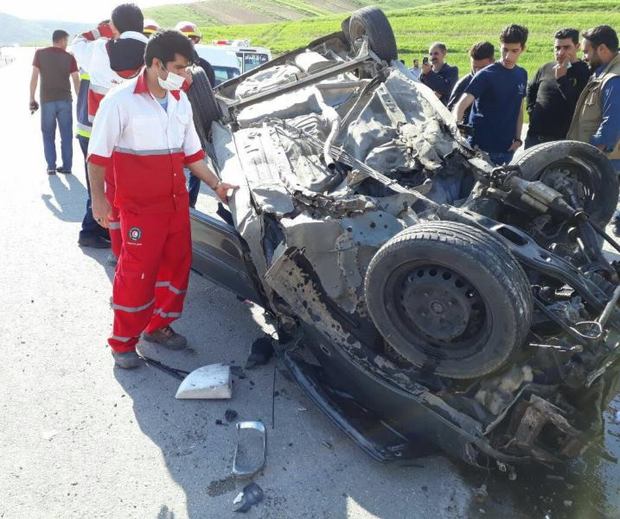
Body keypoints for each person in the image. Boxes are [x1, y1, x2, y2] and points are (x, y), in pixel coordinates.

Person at [87, 30, 237, 369]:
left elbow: (193, 155)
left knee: (176, 267)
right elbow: (97, 158)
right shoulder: (119, 101)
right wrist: (99, 200)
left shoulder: (181, 102)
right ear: (157, 64)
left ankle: (157, 327)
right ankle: (123, 342)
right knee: (136, 275)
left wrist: (217, 185)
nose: (185, 76)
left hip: (174, 205)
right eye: (180, 68)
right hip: (139, 209)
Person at [72, 3, 147, 254]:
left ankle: (98, 232)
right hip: (132, 136)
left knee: (100, 186)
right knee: (125, 188)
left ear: (113, 26)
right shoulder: (153, 53)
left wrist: (98, 30)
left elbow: (76, 43)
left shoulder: (98, 49)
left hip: (95, 131)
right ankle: (121, 235)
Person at [566, 25, 620, 230]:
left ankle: (592, 259)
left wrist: (593, 153)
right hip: (602, 159)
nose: (585, 56)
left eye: (587, 51)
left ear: (603, 49)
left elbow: (612, 123)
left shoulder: (614, 79)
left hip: (603, 160)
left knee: (593, 217)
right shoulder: (603, 73)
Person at [452, 25, 529, 166]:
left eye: (514, 51)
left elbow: (519, 108)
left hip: (506, 149)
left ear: (523, 49)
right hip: (479, 149)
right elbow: (461, 105)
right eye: (505, 49)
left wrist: (518, 140)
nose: (508, 56)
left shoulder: (522, 74)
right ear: (500, 46)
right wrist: (457, 134)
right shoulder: (486, 74)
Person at [525, 28, 590, 149]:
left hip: (563, 140)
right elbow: (531, 88)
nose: (560, 52)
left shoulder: (584, 72)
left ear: (577, 47)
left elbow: (578, 104)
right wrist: (531, 110)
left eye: (566, 47)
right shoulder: (546, 68)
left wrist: (562, 79)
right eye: (557, 48)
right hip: (535, 138)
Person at [175, 20, 216, 208]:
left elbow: (210, 96)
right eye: (186, 39)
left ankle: (189, 203)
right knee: (175, 162)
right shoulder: (171, 66)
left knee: (196, 162)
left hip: (197, 122)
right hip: (175, 120)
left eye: (192, 39)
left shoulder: (205, 67)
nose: (190, 43)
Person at [29, 30, 79, 175]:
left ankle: (51, 167)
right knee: (66, 135)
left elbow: (34, 78)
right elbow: (76, 79)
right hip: (65, 101)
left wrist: (32, 98)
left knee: (48, 134)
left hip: (47, 101)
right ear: (62, 40)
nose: (67, 44)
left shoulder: (40, 54)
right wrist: (80, 100)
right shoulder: (69, 57)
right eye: (66, 41)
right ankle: (67, 167)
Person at [447, 41, 495, 118]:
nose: (477, 71)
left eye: (482, 68)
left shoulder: (499, 80)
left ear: (493, 62)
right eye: (475, 67)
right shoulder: (463, 85)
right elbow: (449, 113)